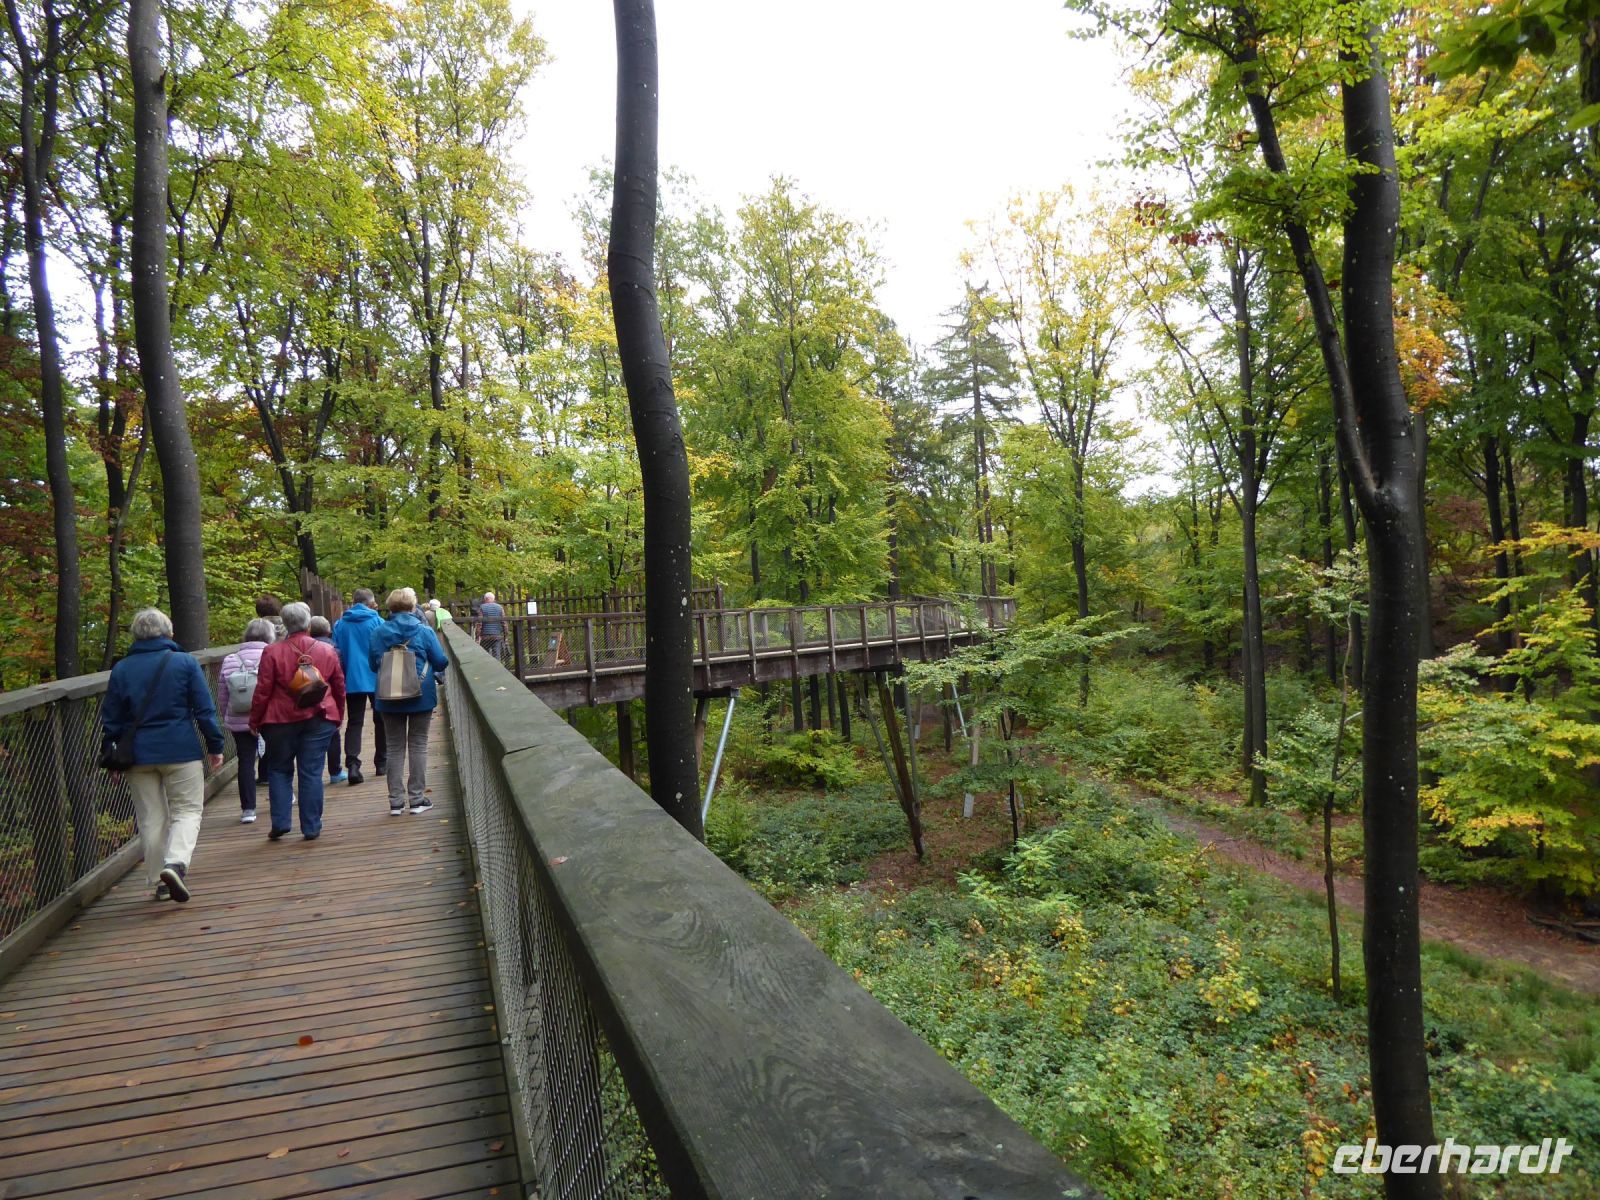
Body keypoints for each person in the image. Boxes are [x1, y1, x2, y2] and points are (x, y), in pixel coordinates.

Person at [101, 608, 225, 902]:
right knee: (187, 811)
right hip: (180, 749)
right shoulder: (184, 662)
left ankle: (159, 879)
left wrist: (111, 755)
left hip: (137, 755)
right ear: (169, 632)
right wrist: (214, 745)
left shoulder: (121, 669)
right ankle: (176, 864)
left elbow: (112, 719)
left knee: (151, 817)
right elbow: (204, 709)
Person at [249, 601, 346, 841]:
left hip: (280, 720)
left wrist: (255, 721)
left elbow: (262, 691)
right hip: (320, 717)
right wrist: (339, 715)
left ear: (285, 623)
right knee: (311, 772)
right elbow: (339, 686)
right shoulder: (327, 650)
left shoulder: (272, 652)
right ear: (308, 622)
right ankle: (311, 826)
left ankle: (281, 822)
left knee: (279, 770)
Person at [370, 587, 449, 816]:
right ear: (413, 606)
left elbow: (373, 665)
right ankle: (416, 799)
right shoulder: (424, 631)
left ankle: (395, 802)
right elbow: (441, 662)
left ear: (391, 607)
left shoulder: (378, 632)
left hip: (388, 695)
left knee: (394, 747)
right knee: (418, 744)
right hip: (421, 696)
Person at [216, 617, 275, 824]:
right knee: (278, 755)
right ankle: (282, 796)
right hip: (270, 716)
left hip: (240, 718)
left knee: (246, 762)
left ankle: (248, 809)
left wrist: (227, 715)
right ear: (269, 636)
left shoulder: (231, 659)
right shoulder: (272, 654)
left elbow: (223, 694)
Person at [332, 587, 387, 783]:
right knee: (381, 720)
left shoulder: (340, 625)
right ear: (371, 603)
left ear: (353, 602)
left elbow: (335, 652)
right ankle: (381, 763)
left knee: (354, 722)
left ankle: (353, 764)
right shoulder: (378, 622)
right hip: (376, 677)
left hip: (351, 678)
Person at [310, 615, 347, 785]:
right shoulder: (332, 648)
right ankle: (335, 771)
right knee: (333, 735)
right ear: (328, 630)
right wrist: (340, 709)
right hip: (328, 700)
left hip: (304, 700)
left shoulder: (302, 647)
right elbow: (339, 679)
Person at [476, 590, 505, 664]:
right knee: (497, 655)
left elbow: (480, 623)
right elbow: (504, 623)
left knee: (485, 656)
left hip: (485, 636)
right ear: (493, 599)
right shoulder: (500, 607)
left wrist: (477, 636)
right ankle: (498, 671)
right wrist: (506, 636)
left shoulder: (482, 607)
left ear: (485, 599)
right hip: (497, 636)